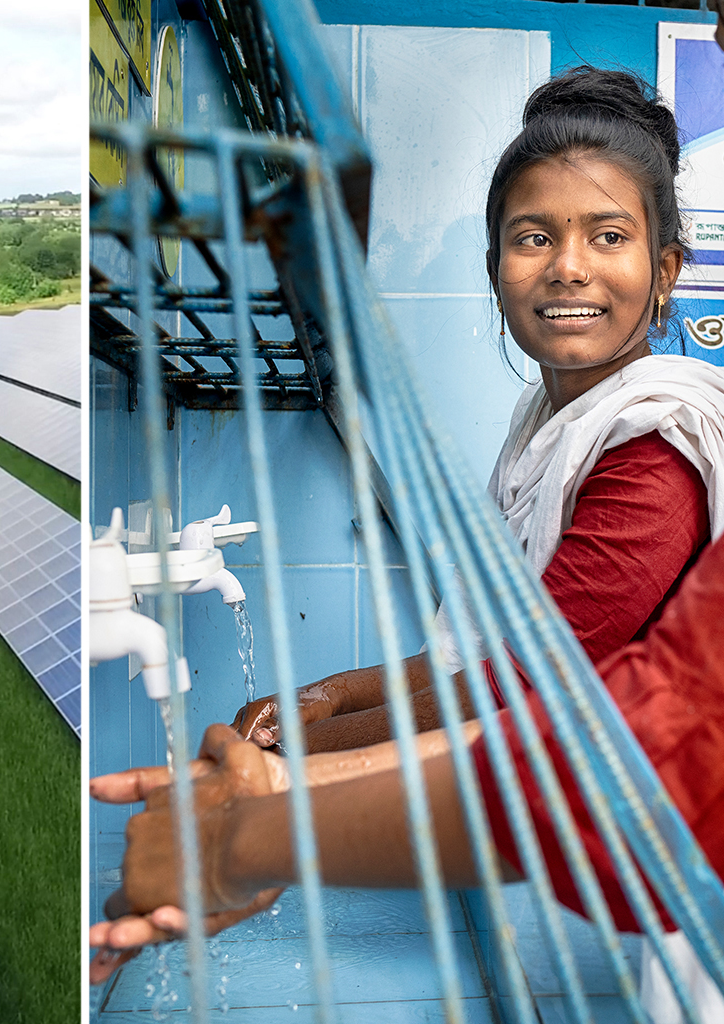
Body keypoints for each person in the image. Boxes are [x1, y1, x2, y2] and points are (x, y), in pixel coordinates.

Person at [232, 67, 724, 757]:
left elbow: (527, 685)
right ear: (495, 268)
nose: (568, 267)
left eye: (609, 236)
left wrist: (288, 758)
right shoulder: (543, 427)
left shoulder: (657, 445)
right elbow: (477, 662)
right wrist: (328, 696)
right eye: (534, 238)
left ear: (665, 272)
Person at [90, 527, 724, 1024]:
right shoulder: (539, 441)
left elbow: (623, 762)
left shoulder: (653, 456)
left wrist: (240, 840)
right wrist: (297, 764)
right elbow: (577, 723)